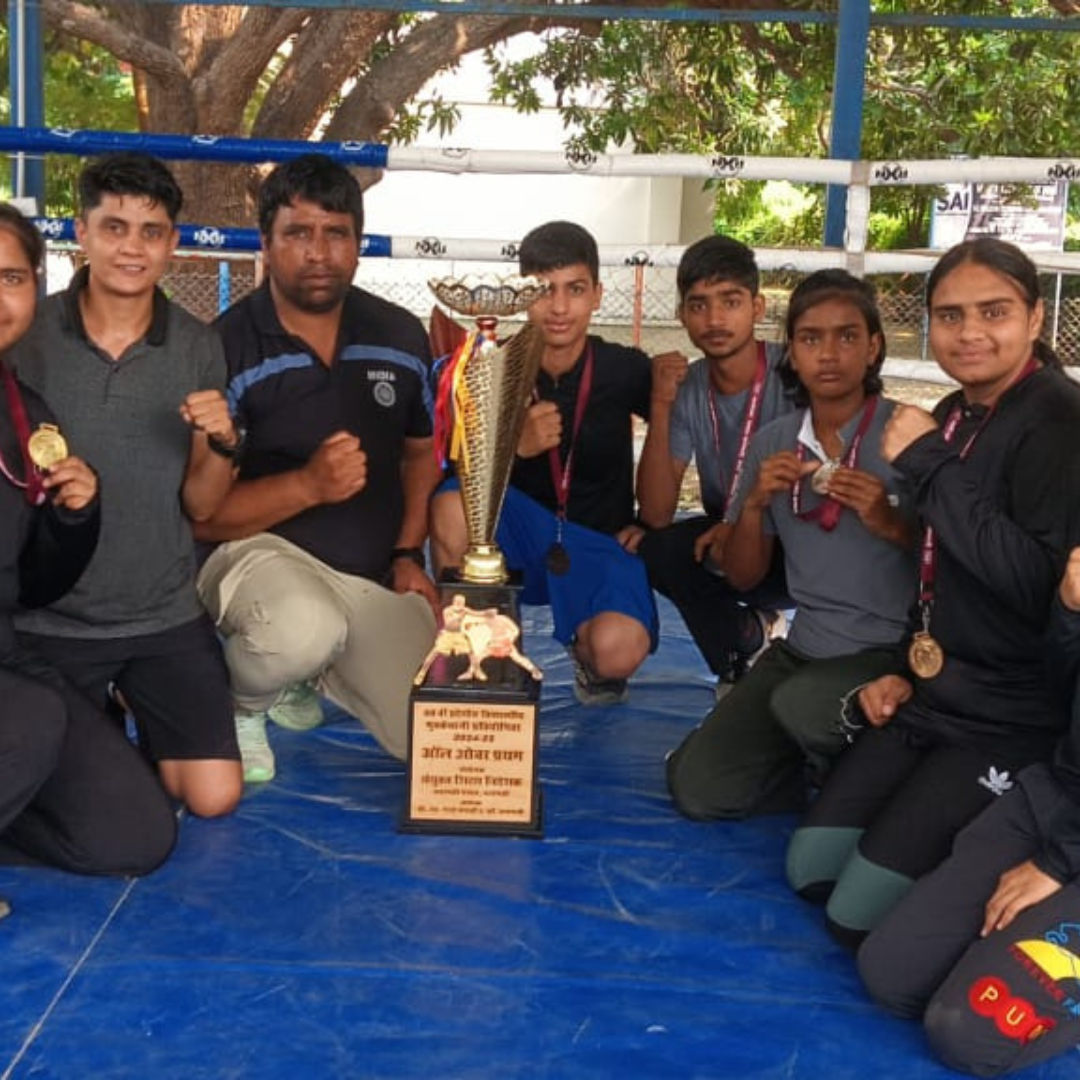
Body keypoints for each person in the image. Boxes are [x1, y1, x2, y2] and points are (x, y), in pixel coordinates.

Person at [785, 238, 1080, 948]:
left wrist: (928, 463)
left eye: (993, 312)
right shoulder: (953, 412)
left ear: (1036, 318)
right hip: (935, 693)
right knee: (808, 868)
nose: (970, 332)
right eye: (950, 316)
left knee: (853, 916)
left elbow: (1033, 585)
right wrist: (901, 663)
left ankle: (1015, 840)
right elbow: (935, 557)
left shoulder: (1062, 421)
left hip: (1012, 718)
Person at [11, 153, 243, 819]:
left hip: (162, 615)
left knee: (214, 798)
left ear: (172, 243)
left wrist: (224, 440)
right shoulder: (26, 336)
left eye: (150, 231)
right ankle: (105, 735)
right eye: (114, 227)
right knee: (60, 798)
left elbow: (202, 505)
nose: (132, 248)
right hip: (48, 620)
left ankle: (118, 722)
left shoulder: (199, 346)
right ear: (81, 233)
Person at [195, 154, 439, 783]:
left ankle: (311, 667)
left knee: (437, 743)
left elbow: (419, 453)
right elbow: (206, 519)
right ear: (268, 245)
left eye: (336, 233)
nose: (319, 252)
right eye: (298, 234)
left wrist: (410, 554)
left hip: (365, 577)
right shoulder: (222, 346)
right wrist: (309, 484)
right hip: (256, 559)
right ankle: (245, 700)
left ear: (358, 245)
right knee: (301, 628)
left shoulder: (399, 333)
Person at [665, 269, 917, 821]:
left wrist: (890, 521)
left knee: (801, 706)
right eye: (810, 338)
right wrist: (753, 507)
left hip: (892, 652)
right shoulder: (774, 444)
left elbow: (959, 560)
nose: (829, 354)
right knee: (697, 787)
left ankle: (872, 762)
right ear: (792, 352)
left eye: (847, 336)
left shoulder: (908, 435)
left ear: (874, 347)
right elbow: (744, 579)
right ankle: (810, 761)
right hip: (805, 650)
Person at [0, 203, 177, 920]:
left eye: (9, 277)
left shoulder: (25, 412)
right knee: (35, 714)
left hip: (7, 653)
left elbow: (34, 583)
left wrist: (76, 517)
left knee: (133, 834)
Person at [855, 547, 1080, 1077]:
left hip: (1067, 842)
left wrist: (1057, 862)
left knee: (968, 1031)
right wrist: (1070, 617)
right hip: (1060, 793)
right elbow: (1061, 692)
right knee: (890, 972)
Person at [429, 220, 656, 706]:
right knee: (449, 508)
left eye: (574, 290)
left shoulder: (627, 370)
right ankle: (478, 653)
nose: (558, 307)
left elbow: (681, 438)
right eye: (543, 290)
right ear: (521, 293)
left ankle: (585, 650)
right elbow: (450, 473)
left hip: (597, 540)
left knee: (617, 652)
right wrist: (513, 445)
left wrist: (651, 525)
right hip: (518, 535)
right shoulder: (490, 365)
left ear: (596, 294)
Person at [637, 236, 795, 695]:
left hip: (799, 545)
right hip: (726, 542)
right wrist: (660, 405)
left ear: (758, 307)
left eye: (730, 301)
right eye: (699, 305)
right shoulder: (687, 387)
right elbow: (657, 513)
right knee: (656, 548)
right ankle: (742, 645)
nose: (715, 320)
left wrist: (748, 520)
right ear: (682, 314)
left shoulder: (794, 374)